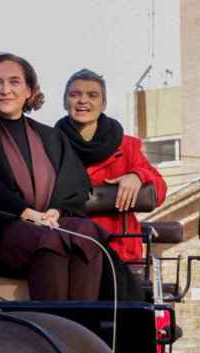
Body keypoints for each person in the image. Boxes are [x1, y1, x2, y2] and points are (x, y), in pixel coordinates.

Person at [0, 53, 106, 301]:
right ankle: (53, 329)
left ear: (29, 91)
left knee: (85, 232)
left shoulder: (51, 137)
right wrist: (24, 211)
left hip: (48, 222)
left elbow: (73, 181)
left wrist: (57, 210)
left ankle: (82, 329)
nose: (5, 90)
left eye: (14, 82)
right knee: (50, 240)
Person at [56, 69, 168, 263]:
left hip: (120, 250)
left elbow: (160, 191)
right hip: (69, 247)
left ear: (103, 104)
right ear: (65, 102)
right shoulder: (49, 145)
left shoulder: (127, 146)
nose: (83, 101)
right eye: (75, 95)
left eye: (92, 95)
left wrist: (138, 175)